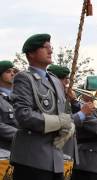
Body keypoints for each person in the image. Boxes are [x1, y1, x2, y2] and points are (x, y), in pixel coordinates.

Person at [10, 33, 79, 180]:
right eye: (45, 47)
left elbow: (65, 114)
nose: (50, 51)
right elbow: (24, 115)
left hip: (55, 159)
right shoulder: (24, 78)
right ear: (31, 54)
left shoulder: (55, 80)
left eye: (51, 47)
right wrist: (59, 122)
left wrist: (70, 126)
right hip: (32, 159)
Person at [0, 60, 19, 151]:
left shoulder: (21, 97)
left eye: (14, 72)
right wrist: (22, 135)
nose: (12, 74)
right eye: (8, 72)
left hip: (25, 149)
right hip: (5, 150)